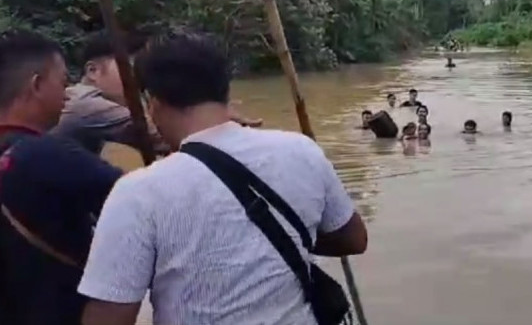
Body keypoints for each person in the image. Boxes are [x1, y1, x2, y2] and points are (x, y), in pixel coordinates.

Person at [79, 32, 368, 325]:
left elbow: (108, 318)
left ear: (152, 103)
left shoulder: (137, 192)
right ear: (225, 90)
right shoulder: (301, 150)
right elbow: (354, 239)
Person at [0, 31, 122, 325]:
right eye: (63, 82)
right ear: (37, 85)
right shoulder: (50, 155)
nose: (67, 93)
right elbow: (145, 200)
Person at [53, 30, 262, 155]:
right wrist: (217, 119)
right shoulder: (86, 104)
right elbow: (169, 136)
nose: (140, 76)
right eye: (130, 67)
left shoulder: (79, 100)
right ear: (93, 71)